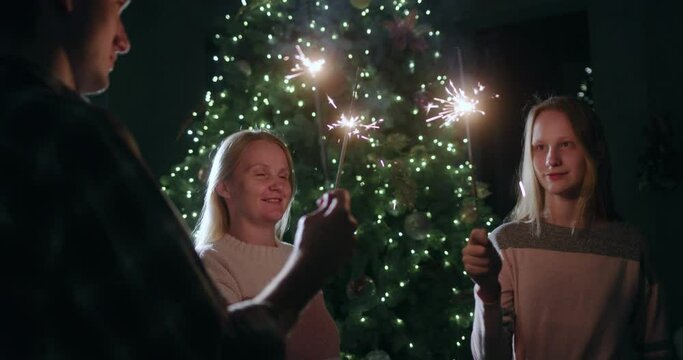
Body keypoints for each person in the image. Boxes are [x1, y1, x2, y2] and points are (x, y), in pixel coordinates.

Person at [0, 0, 356, 358]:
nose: (123, 41)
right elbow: (206, 349)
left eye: (283, 174)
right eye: (117, 10)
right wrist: (311, 266)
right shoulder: (71, 137)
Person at [462, 96, 674, 359]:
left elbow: (657, 348)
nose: (552, 159)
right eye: (540, 147)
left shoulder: (630, 247)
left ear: (593, 151)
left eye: (566, 144)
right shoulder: (507, 245)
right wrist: (488, 291)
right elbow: (489, 356)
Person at [194, 130, 341, 359]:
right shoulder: (212, 260)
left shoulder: (298, 256)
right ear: (224, 187)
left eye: (283, 176)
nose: (277, 185)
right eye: (261, 174)